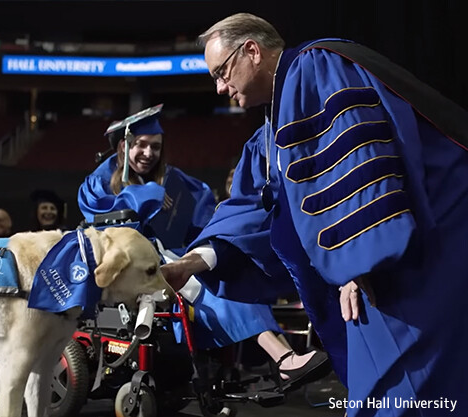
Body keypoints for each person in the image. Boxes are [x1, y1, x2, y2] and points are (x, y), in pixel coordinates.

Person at [161, 12, 468, 416]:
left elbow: (359, 159)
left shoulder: (317, 67)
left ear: (252, 51)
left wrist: (360, 262)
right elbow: (256, 208)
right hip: (372, 271)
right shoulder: (273, 130)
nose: (220, 87)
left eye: (222, 71)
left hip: (414, 257)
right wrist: (191, 262)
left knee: (408, 392)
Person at [78, 105, 329, 389]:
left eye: (156, 147)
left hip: (176, 255)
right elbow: (105, 229)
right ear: (124, 145)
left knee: (224, 273)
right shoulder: (99, 181)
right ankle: (282, 357)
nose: (149, 154)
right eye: (141, 145)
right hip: (136, 266)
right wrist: (149, 198)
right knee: (211, 285)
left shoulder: (173, 179)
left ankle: (281, 357)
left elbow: (200, 210)